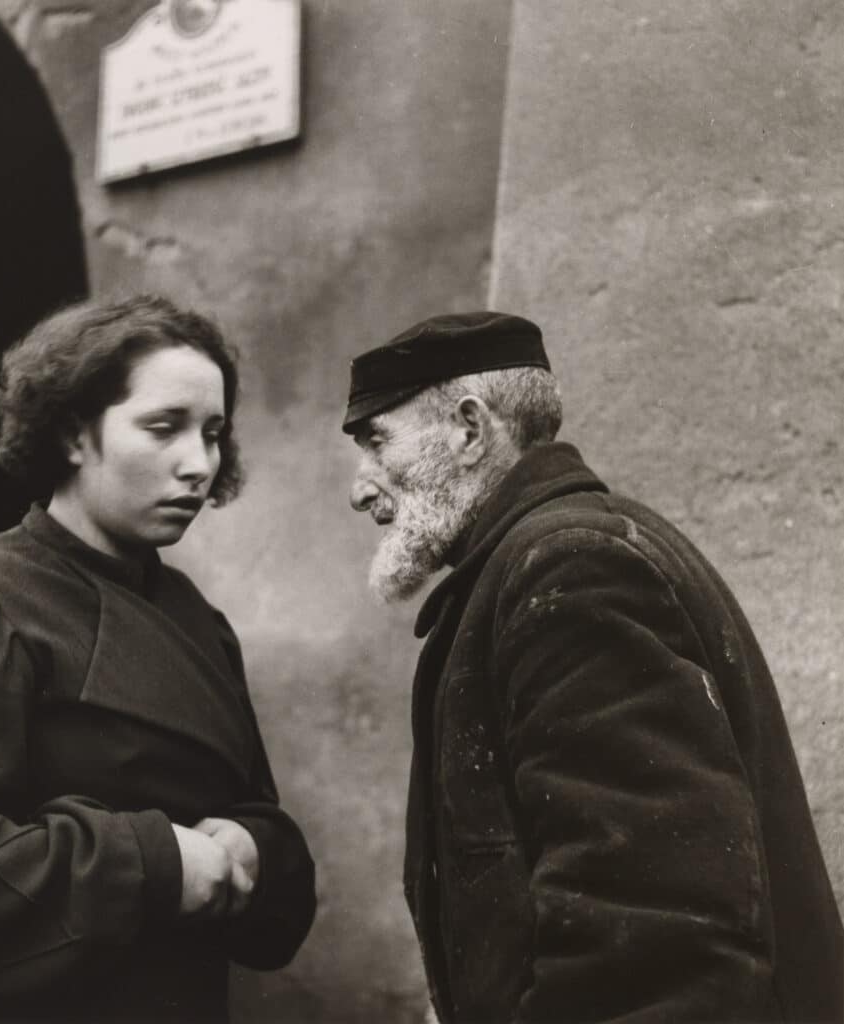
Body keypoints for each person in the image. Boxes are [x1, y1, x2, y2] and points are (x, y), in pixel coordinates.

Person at [342, 311, 843, 1023]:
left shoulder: (569, 568)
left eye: (376, 443)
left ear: (467, 429)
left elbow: (653, 937)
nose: (360, 488)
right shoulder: (543, 560)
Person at [0, 295, 316, 1024]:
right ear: (72, 434)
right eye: (164, 428)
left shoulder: (194, 616)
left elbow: (255, 808)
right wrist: (152, 863)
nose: (199, 464)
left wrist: (253, 846)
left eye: (214, 434)